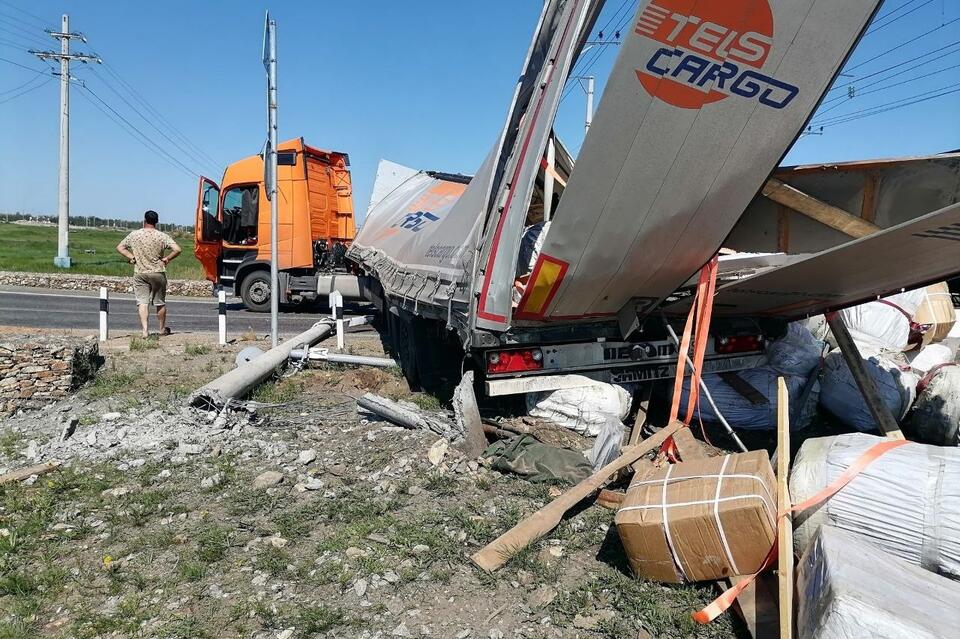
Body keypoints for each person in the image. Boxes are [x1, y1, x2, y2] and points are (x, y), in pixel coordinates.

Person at [116, 210, 182, 338]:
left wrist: (132, 257)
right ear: (156, 222)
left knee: (142, 302)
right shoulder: (162, 236)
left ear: (144, 220)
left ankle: (145, 330)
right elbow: (177, 249)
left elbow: (120, 247)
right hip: (157, 272)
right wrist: (167, 258)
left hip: (140, 273)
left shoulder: (134, 235)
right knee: (160, 302)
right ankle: (162, 329)